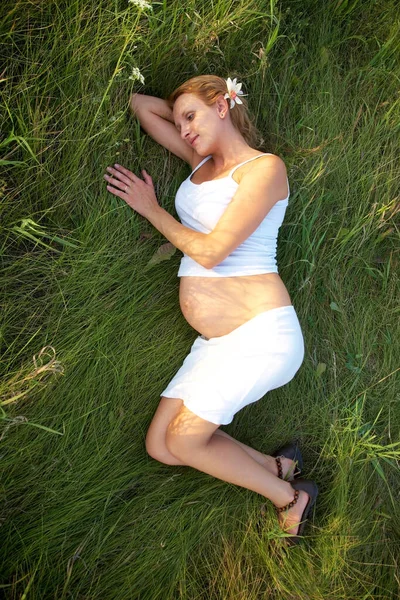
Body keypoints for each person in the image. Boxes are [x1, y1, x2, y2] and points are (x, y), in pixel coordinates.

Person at [103, 75, 318, 545]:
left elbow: (215, 251)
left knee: (183, 440)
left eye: (192, 117)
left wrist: (151, 208)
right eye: (180, 122)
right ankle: (273, 465)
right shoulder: (201, 163)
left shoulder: (264, 169)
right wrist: (184, 106)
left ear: (223, 106)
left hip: (261, 337)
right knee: (162, 446)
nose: (183, 130)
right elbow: (141, 106)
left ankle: (289, 497)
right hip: (221, 342)